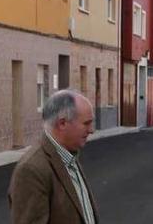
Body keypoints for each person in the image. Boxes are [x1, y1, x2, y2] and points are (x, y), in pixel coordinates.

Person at [8, 89, 99, 224]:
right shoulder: (31, 170)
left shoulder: (69, 156)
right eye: (86, 123)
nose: (92, 130)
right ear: (62, 123)